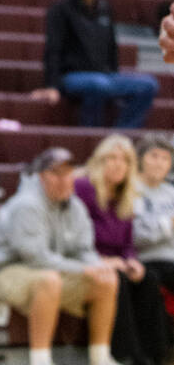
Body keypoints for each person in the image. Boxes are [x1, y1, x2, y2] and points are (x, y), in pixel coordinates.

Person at [0, 147, 119, 365]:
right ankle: (40, 359)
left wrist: (96, 266)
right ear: (41, 177)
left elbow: (84, 250)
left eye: (68, 172)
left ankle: (101, 357)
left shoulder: (76, 206)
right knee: (49, 280)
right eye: (55, 173)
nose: (63, 180)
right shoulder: (27, 204)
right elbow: (35, 257)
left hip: (46, 272)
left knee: (107, 280)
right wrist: (82, 269)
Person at [75, 135, 169, 365]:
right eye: (112, 158)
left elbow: (128, 242)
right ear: (99, 160)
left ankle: (155, 354)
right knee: (118, 280)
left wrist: (132, 260)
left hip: (115, 260)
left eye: (125, 160)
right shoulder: (84, 187)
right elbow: (75, 237)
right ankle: (126, 355)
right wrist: (103, 259)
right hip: (85, 258)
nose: (118, 164)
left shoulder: (124, 194)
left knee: (145, 278)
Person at [34, 0, 158, 127]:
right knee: (97, 85)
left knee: (148, 85)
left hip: (105, 76)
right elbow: (53, 49)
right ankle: (91, 135)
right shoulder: (59, 9)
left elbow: (111, 47)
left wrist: (113, 74)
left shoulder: (105, 8)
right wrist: (52, 86)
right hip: (72, 77)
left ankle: (119, 136)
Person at [132, 134, 174, 293]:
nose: (159, 163)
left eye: (165, 158)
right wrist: (168, 224)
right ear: (140, 159)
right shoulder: (132, 190)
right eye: (154, 156)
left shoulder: (171, 192)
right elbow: (136, 236)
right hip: (145, 259)